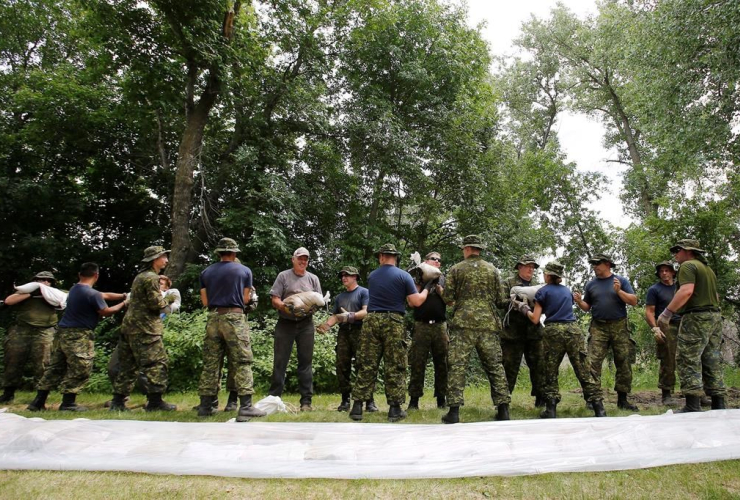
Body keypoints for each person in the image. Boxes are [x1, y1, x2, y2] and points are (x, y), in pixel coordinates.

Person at [27, 263, 127, 411]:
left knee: (55, 368)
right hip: (79, 335)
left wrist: (123, 295)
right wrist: (124, 303)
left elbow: (103, 295)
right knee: (80, 367)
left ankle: (37, 402)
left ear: (80, 275)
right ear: (96, 276)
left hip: (62, 333)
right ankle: (68, 403)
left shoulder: (75, 289)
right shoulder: (91, 294)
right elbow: (105, 311)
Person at [349, 243, 431, 422]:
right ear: (396, 257)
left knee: (367, 364)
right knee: (395, 364)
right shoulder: (404, 276)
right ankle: (394, 409)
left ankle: (357, 407)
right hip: (393, 321)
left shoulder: (372, 276)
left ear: (381, 257)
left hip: (371, 320)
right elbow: (415, 302)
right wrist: (426, 288)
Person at [514, 261, 606, 418]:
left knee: (550, 369)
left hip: (553, 331)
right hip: (573, 330)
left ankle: (551, 409)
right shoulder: (566, 291)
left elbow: (536, 319)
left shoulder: (542, 292)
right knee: (583, 369)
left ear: (548, 275)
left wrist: (523, 308)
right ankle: (599, 407)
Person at [441, 235, 511, 424]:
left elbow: (447, 297)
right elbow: (500, 300)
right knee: (495, 366)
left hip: (463, 324)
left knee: (457, 366)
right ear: (479, 249)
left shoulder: (456, 269)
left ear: (466, 249)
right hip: (488, 323)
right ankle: (503, 409)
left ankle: (454, 412)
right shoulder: (493, 270)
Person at [196, 238, 266, 420]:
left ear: (219, 253)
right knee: (242, 361)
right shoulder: (244, 271)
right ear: (234, 253)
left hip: (213, 318)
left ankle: (205, 406)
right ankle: (246, 406)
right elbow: (244, 300)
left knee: (211, 363)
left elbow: (205, 302)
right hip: (234, 318)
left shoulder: (206, 272)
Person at [658, 239, 726, 412]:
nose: (675, 254)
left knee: (688, 358)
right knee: (711, 358)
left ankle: (692, 404)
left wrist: (667, 313)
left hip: (696, 317)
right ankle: (719, 404)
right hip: (714, 316)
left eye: (678, 250)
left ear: (689, 251)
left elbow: (686, 291)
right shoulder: (708, 269)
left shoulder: (688, 266)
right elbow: (716, 296)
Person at [109, 246, 178, 412]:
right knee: (156, 363)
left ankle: (117, 402)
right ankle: (155, 401)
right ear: (155, 259)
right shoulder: (151, 278)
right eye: (163, 257)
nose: (166, 260)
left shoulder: (140, 276)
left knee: (127, 365)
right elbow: (156, 304)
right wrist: (169, 300)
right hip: (146, 328)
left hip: (129, 326)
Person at [574, 253, 639, 411]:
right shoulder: (591, 285)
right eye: (594, 264)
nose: (595, 266)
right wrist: (579, 301)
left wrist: (619, 292)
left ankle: (622, 400)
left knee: (623, 362)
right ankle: (593, 398)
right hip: (598, 327)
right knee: (592, 363)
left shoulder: (620, 281)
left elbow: (634, 301)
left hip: (619, 326)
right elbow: (586, 307)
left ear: (608, 264)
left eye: (598, 263)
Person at [316, 266, 376, 412]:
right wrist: (326, 326)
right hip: (344, 333)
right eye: (342, 275)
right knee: (342, 366)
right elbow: (336, 316)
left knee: (364, 365)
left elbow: (366, 312)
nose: (344, 278)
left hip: (360, 331)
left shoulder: (364, 292)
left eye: (347, 275)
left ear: (355, 276)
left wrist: (351, 315)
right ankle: (345, 400)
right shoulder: (340, 297)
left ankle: (369, 401)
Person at [269, 247, 322, 411]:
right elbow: (274, 299)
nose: (303, 261)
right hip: (285, 324)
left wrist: (311, 309)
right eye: (300, 258)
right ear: (293, 259)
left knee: (305, 363)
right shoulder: (283, 276)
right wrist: (285, 308)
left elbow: (319, 301)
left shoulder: (313, 279)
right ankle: (274, 399)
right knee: (280, 361)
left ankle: (306, 402)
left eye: (305, 259)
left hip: (306, 325)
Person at [0, 271, 61, 404]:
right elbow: (9, 301)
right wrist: (31, 294)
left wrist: (46, 295)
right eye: (41, 279)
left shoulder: (55, 294)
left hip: (45, 331)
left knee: (43, 364)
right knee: (12, 361)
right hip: (21, 330)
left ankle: (41, 396)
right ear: (34, 281)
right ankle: (8, 393)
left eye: (48, 280)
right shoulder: (25, 292)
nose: (45, 282)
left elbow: (64, 301)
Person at [501, 254, 545, 407]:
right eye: (528, 266)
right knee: (509, 367)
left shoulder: (538, 286)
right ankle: (503, 401)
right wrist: (516, 303)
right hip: (513, 333)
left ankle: (541, 398)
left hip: (534, 332)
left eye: (533, 267)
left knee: (539, 366)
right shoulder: (508, 283)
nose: (531, 269)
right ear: (519, 267)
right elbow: (500, 301)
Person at [407, 251, 448, 410]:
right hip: (421, 325)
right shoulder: (417, 277)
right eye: (433, 259)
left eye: (439, 260)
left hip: (440, 326)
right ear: (426, 261)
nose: (437, 261)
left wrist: (439, 289)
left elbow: (450, 301)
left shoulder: (443, 279)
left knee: (442, 363)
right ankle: (414, 400)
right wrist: (424, 285)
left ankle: (441, 399)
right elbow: (411, 303)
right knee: (418, 362)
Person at [645, 260, 682, 405]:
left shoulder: (681, 287)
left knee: (691, 359)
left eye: (667, 270)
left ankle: (695, 393)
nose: (664, 273)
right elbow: (649, 311)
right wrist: (655, 328)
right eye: (661, 271)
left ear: (673, 272)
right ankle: (666, 394)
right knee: (668, 360)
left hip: (684, 325)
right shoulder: (654, 290)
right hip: (666, 326)